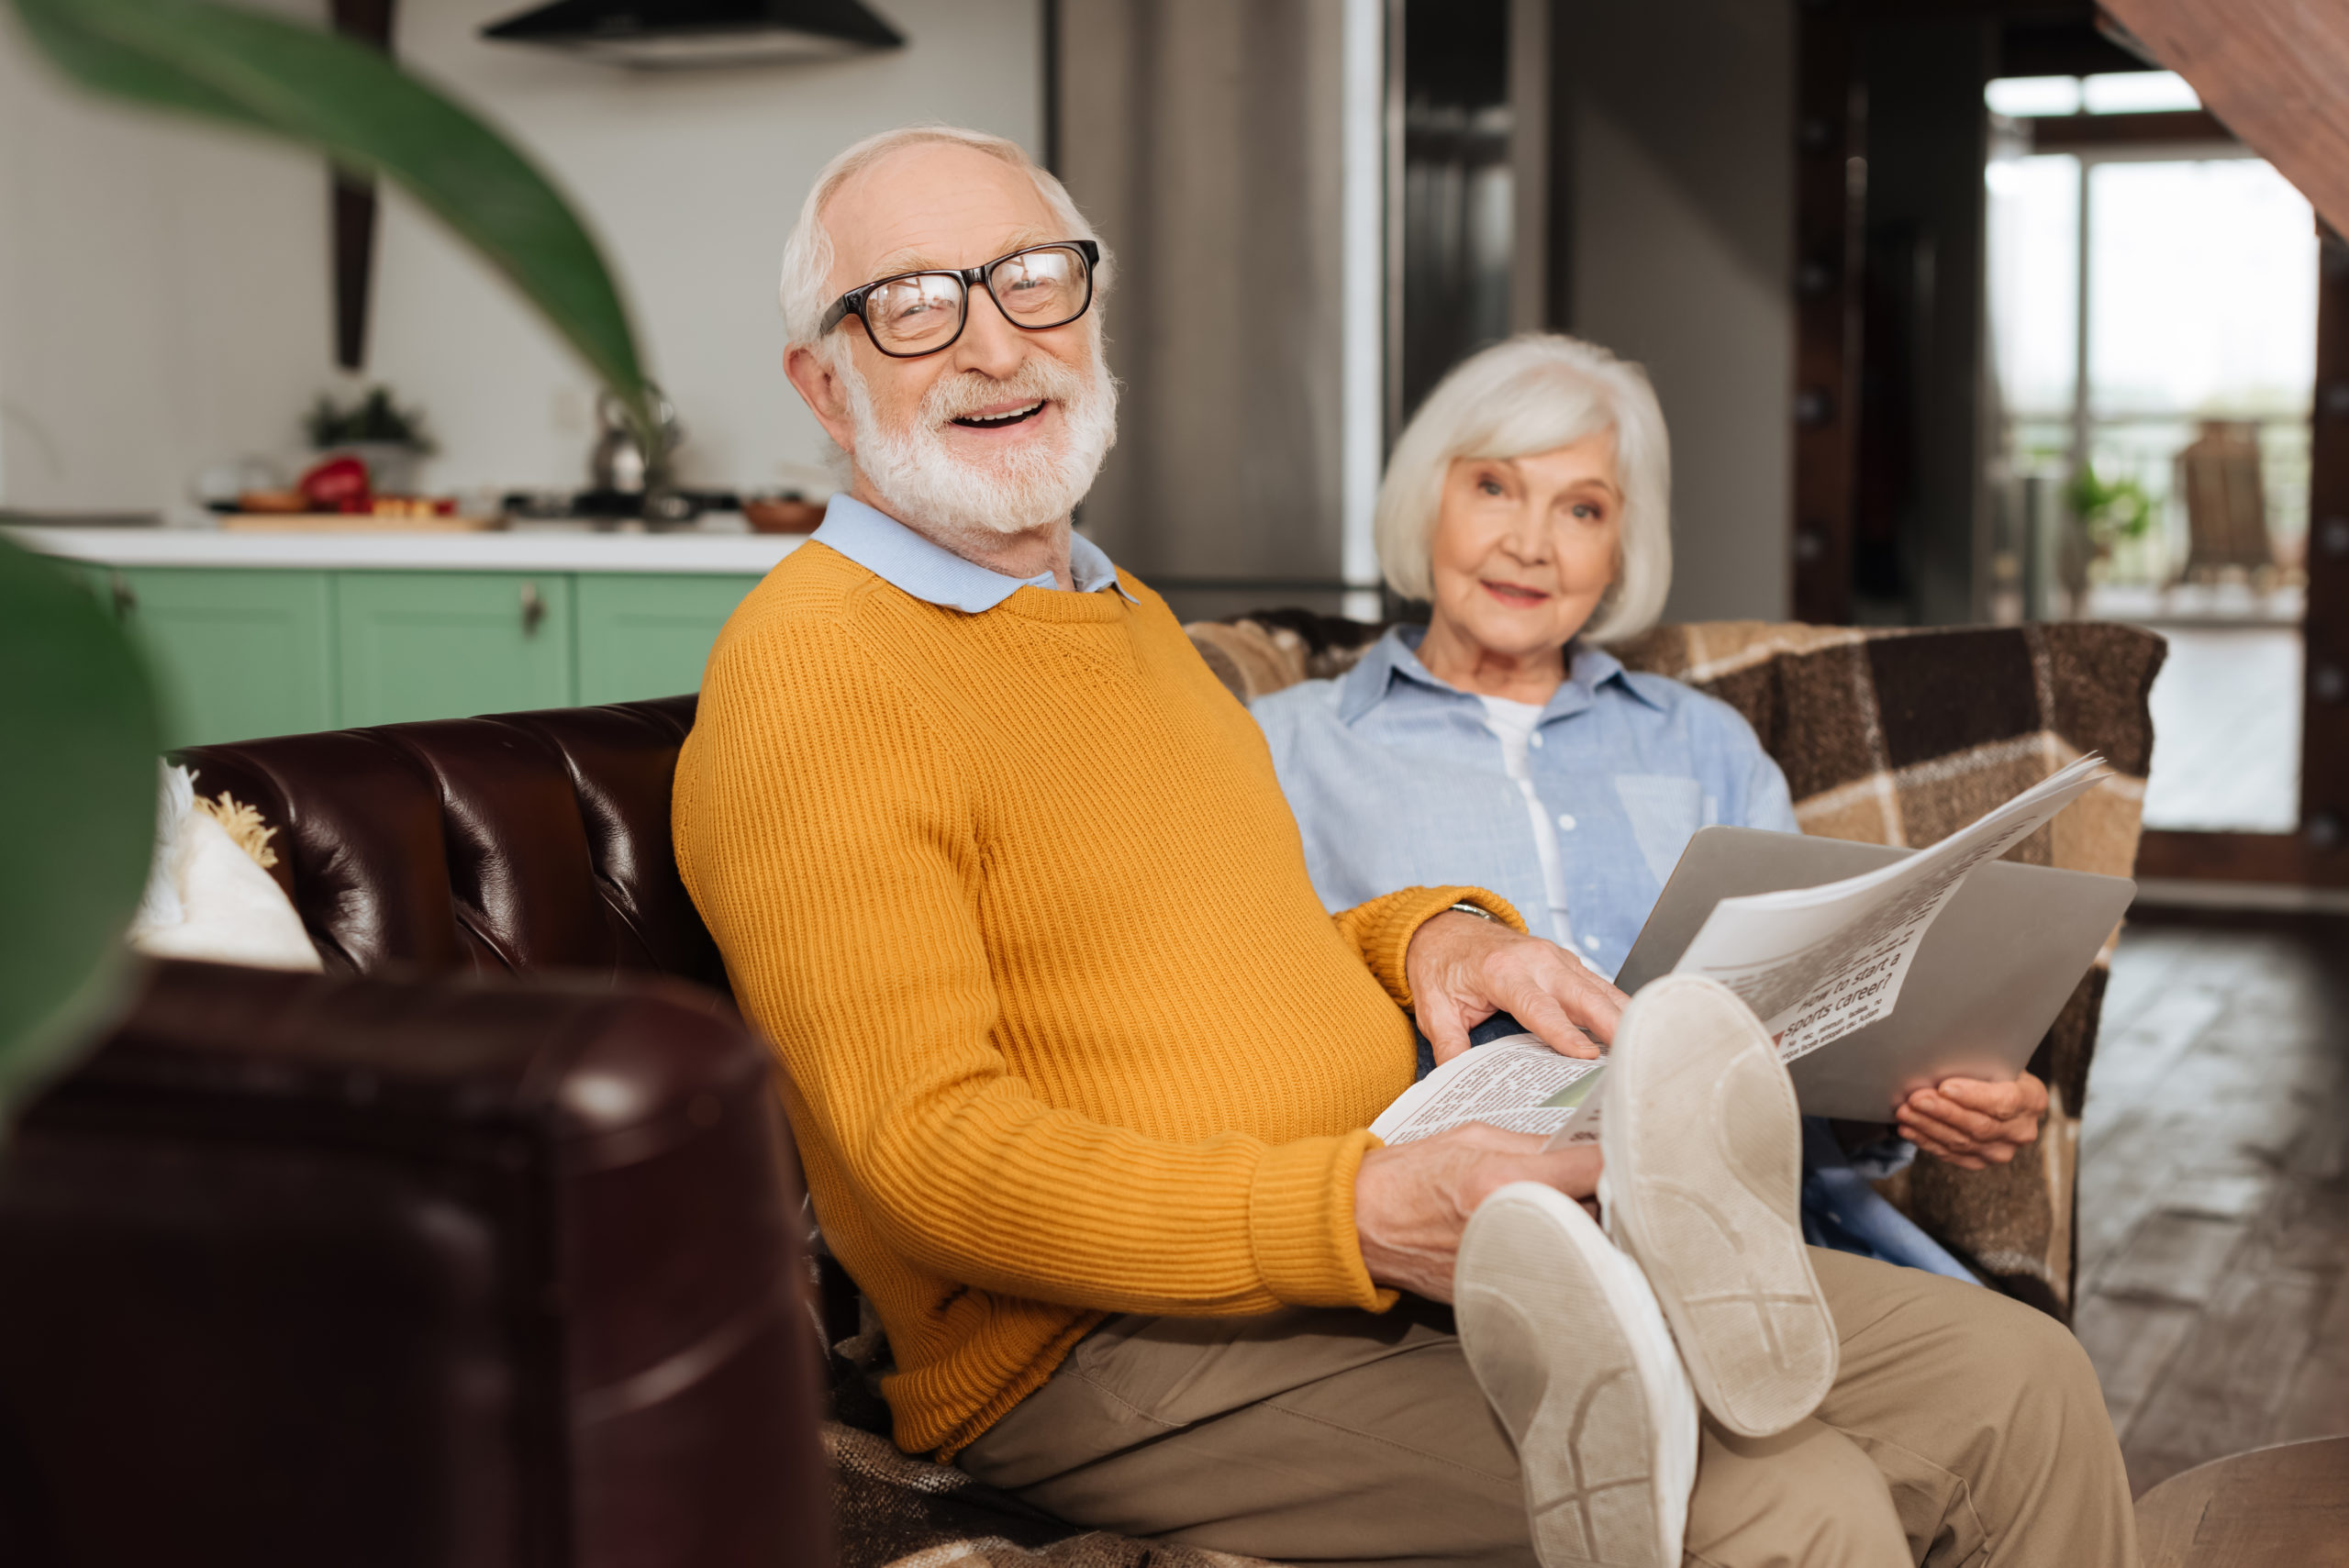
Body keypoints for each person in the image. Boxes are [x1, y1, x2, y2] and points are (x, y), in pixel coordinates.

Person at [674, 123, 2137, 1567]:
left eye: (1030, 278)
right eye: (915, 305)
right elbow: (926, 1153)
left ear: (1089, 308)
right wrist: (1358, 1214)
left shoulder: (1120, 619)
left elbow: (1230, 945)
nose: (995, 346)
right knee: (1779, 1501)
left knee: (2022, 1385)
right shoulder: (818, 671)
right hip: (1108, 1343)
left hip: (1403, 1228)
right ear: (824, 378)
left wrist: (1435, 932)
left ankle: (1664, 1230)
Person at [1251, 335, 2049, 1282]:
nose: (1530, 543)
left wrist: (1919, 1093)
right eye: (1494, 487)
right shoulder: (1283, 742)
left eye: (1581, 508)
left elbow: (1797, 1023)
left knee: (2015, 1375)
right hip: (1463, 1235)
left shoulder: (1704, 741)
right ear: (1427, 495)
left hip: (1737, 1206)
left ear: (1623, 542)